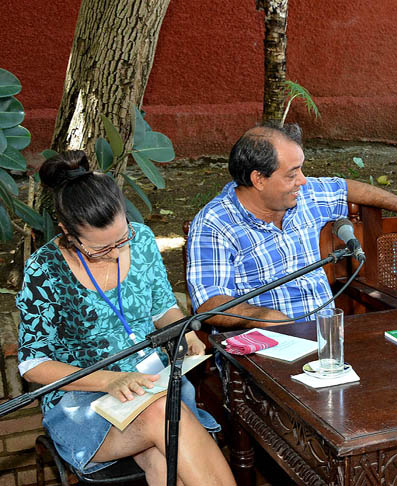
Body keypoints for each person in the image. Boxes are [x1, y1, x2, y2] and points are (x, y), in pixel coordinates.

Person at [16, 151, 235, 486]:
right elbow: (33, 365)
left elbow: (163, 309)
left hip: (150, 384)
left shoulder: (143, 239)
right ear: (66, 231)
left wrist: (183, 332)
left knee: (163, 460)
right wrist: (108, 380)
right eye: (101, 249)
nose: (117, 252)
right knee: (163, 414)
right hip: (86, 400)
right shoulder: (45, 270)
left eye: (121, 240)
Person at [186, 123, 397, 329]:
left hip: (326, 338)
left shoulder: (305, 194)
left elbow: (346, 188)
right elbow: (209, 302)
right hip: (265, 348)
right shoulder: (214, 223)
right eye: (292, 174)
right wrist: (263, 317)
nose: (303, 180)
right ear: (258, 179)